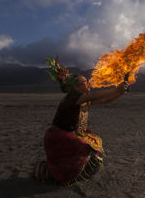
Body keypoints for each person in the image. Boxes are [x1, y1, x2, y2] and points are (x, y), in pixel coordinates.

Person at [33, 57, 129, 186]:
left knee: (92, 149)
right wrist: (116, 89)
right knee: (87, 150)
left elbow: (104, 100)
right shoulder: (74, 98)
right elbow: (94, 96)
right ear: (77, 87)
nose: (88, 83)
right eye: (85, 82)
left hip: (71, 134)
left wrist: (120, 92)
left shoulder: (82, 99)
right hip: (60, 137)